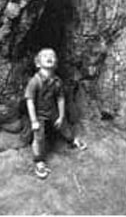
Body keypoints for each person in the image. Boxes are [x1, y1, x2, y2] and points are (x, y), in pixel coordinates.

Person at [25, 48, 86, 179]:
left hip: (52, 111)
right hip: (39, 114)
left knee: (64, 127)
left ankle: (72, 140)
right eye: (45, 56)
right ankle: (39, 161)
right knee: (39, 137)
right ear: (37, 63)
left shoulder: (57, 81)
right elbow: (29, 101)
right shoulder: (35, 81)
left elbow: (60, 98)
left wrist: (61, 115)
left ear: (56, 63)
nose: (49, 57)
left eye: (52, 55)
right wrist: (34, 120)